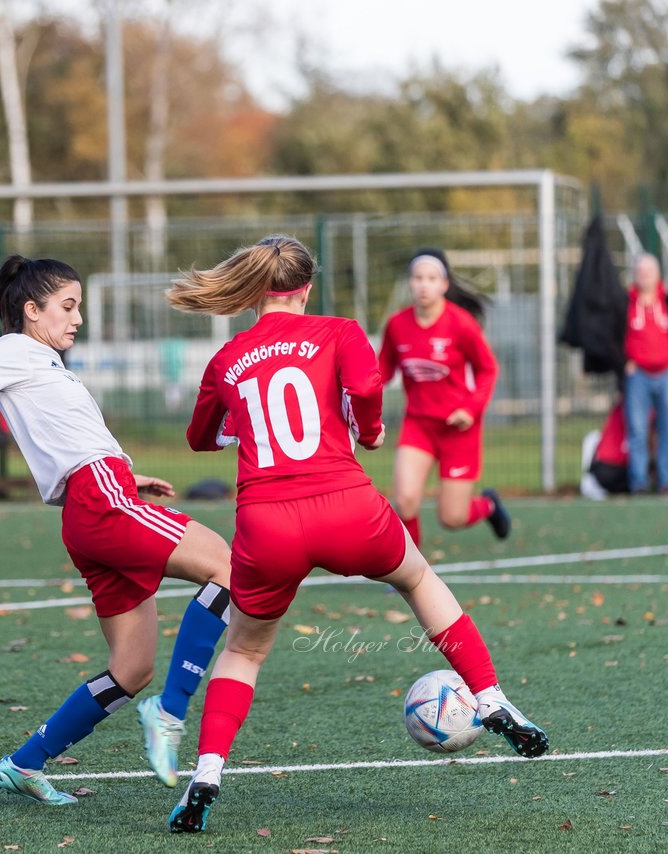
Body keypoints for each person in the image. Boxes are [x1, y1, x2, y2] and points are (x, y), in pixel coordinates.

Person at [163, 236, 548, 834]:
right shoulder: (339, 331)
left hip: (267, 522)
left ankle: (207, 771)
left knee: (243, 650)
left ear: (255, 290)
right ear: (306, 288)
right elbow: (366, 390)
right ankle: (492, 697)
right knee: (417, 577)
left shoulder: (227, 357)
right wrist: (368, 431)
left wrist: (241, 430)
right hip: (345, 504)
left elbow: (199, 438)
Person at [0, 255, 234, 804]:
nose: (77, 318)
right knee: (227, 565)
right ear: (31, 311)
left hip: (98, 504)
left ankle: (25, 763)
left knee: (130, 669)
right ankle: (171, 713)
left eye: (77, 306)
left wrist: (130, 476)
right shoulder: (14, 349)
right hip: (99, 501)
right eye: (67, 306)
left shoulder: (44, 361)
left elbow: (71, 438)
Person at [378, 248, 509, 548]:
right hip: (419, 425)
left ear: (444, 284)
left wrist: (470, 409)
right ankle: (410, 570)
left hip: (458, 428)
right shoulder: (397, 325)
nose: (424, 285)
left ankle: (488, 506)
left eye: (431, 278)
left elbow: (488, 369)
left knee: (451, 517)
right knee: (405, 500)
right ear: (410, 283)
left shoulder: (461, 324)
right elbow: (381, 370)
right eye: (418, 278)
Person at [620, 254, 668, 495]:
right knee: (637, 431)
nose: (645, 275)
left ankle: (666, 482)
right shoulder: (625, 304)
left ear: (657, 274)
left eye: (649, 271)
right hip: (637, 375)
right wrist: (624, 362)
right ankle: (638, 483)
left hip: (666, 375)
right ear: (635, 275)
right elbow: (612, 334)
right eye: (640, 271)